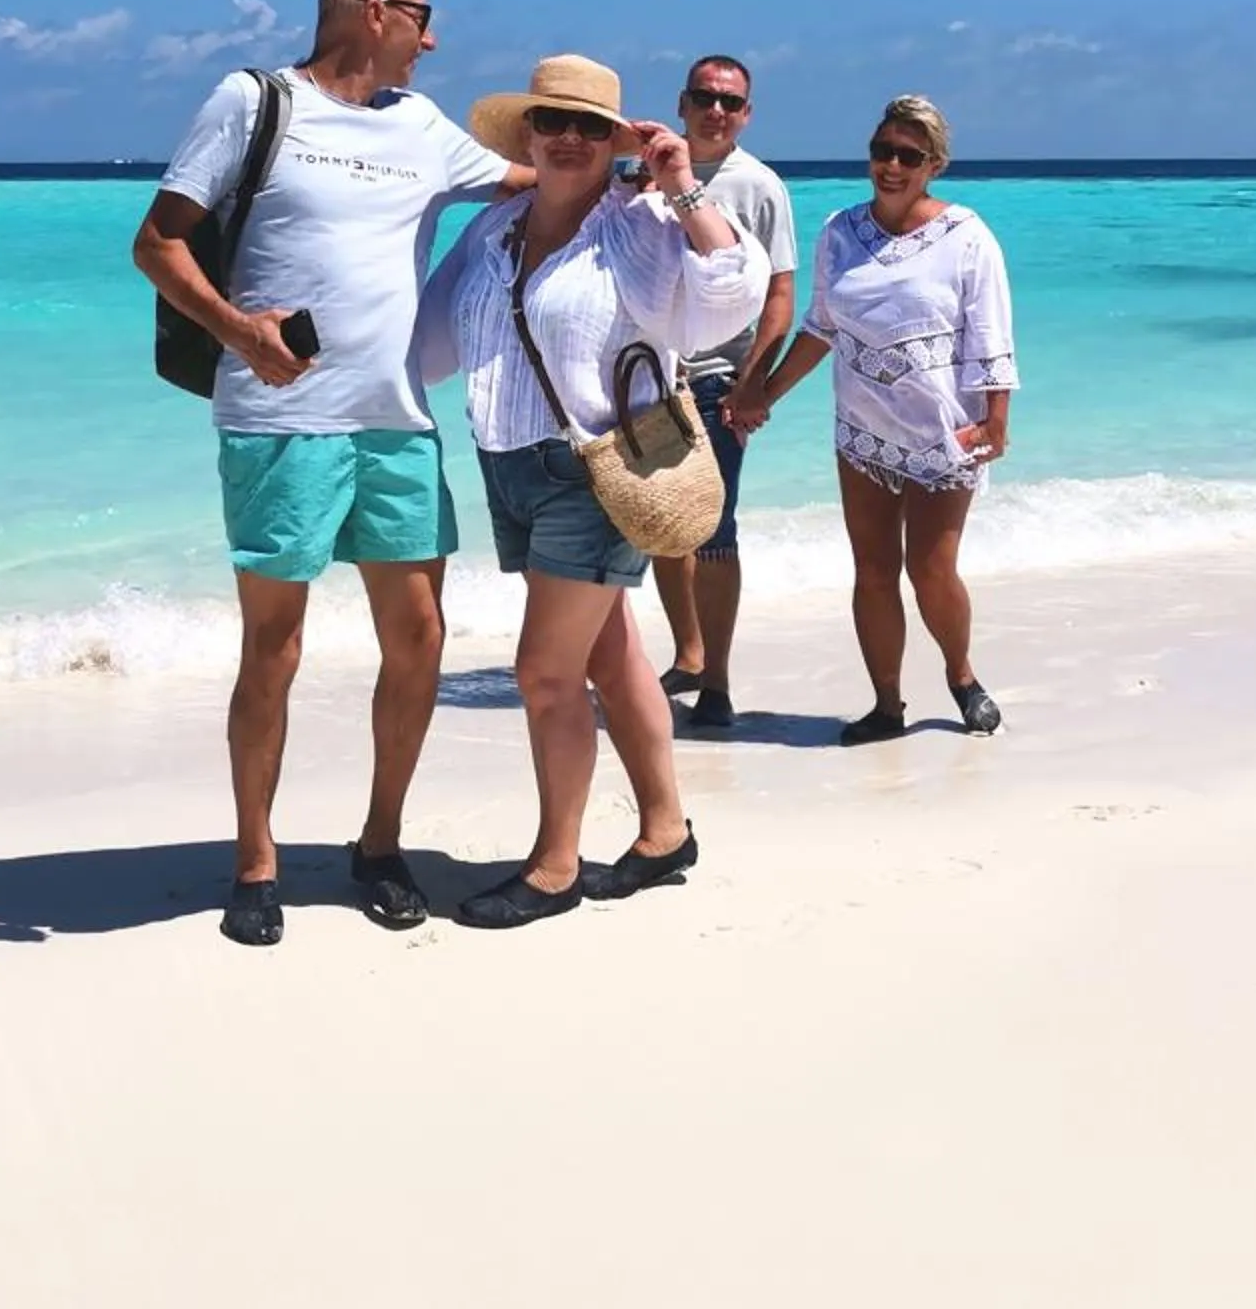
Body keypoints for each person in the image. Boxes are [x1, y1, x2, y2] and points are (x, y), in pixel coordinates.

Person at [131, 0, 531, 948]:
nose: (433, 39)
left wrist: (635, 160)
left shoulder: (424, 127)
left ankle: (380, 842)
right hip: (280, 421)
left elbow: (539, 178)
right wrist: (237, 329)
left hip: (396, 419)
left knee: (421, 637)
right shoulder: (253, 100)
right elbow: (159, 241)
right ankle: (256, 859)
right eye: (423, 16)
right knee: (275, 647)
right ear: (370, 10)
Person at [412, 55, 769, 929]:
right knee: (610, 656)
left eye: (588, 127)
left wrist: (682, 183)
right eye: (551, 122)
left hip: (600, 471)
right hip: (510, 466)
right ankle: (664, 832)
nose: (567, 139)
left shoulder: (640, 225)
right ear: (527, 134)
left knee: (543, 674)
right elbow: (426, 344)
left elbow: (730, 300)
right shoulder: (493, 232)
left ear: (615, 143)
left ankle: (554, 865)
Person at [727, 94, 1017, 746]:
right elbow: (821, 326)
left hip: (943, 430)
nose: (890, 165)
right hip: (861, 429)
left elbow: (991, 332)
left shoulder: (967, 237)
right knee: (874, 570)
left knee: (932, 571)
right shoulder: (840, 231)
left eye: (908, 156)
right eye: (882, 151)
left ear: (933, 165)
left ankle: (962, 676)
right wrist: (763, 392)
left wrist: (996, 419)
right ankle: (887, 705)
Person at [647, 56, 798, 732]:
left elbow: (781, 295)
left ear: (747, 114)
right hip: (649, 376)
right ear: (683, 102)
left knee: (712, 533)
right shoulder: (649, 172)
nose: (716, 111)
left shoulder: (759, 187)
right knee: (656, 523)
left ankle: (718, 684)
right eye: (705, 98)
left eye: (730, 103)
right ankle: (689, 653)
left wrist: (754, 382)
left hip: (717, 383)